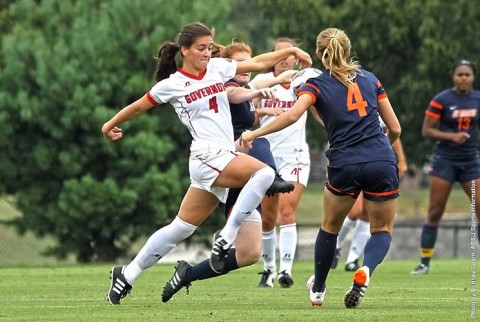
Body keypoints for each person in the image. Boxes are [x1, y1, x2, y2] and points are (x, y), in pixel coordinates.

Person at [102, 22, 312, 305]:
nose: (206, 53)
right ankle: (224, 238)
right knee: (264, 172)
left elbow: (259, 62)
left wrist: (293, 50)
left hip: (224, 158)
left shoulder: (218, 68)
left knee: (229, 244)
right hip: (206, 156)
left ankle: (126, 275)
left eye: (209, 47)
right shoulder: (174, 84)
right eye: (201, 48)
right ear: (185, 50)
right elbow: (139, 105)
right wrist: (110, 124)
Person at [240, 27, 401, 309]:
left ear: (318, 54)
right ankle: (366, 271)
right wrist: (384, 149)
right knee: (382, 229)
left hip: (344, 163)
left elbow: (291, 115)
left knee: (329, 228)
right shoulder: (371, 80)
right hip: (381, 160)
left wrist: (254, 134)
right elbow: (396, 128)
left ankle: (319, 290)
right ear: (348, 51)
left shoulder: (316, 84)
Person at [160, 42, 297, 303]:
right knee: (259, 141)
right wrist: (273, 81)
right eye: (241, 63)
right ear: (227, 67)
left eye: (248, 61)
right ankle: (271, 179)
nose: (247, 67)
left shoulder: (243, 88)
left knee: (249, 253)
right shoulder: (224, 86)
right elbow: (234, 95)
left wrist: (263, 108)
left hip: (249, 176)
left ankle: (186, 274)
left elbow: (247, 111)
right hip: (231, 167)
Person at [252, 38, 311, 288]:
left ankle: (285, 270)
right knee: (267, 218)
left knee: (287, 212)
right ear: (272, 57)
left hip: (295, 155)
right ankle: (268, 270)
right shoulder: (261, 83)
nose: (285, 59)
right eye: (279, 54)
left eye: (290, 54)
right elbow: (248, 112)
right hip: (266, 156)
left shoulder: (304, 84)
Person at [411, 59, 480, 275]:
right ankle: (424, 263)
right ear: (453, 76)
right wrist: (452, 136)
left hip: (470, 161)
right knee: (435, 212)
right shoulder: (442, 99)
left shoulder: (478, 99)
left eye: (467, 75)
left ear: (473, 77)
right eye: (460, 74)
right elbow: (427, 130)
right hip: (445, 161)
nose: (463, 78)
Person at [333, 137, 407, 271]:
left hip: (376, 159)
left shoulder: (382, 115)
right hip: (351, 158)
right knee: (354, 211)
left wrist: (401, 160)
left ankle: (353, 258)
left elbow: (394, 130)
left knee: (367, 214)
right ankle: (336, 245)